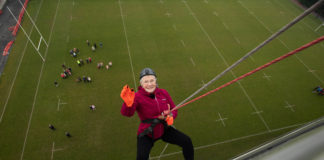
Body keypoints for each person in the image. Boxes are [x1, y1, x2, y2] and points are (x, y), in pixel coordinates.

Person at [120, 68, 194, 160]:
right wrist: (127, 104)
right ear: (141, 84)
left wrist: (171, 116)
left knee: (187, 141)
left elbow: (174, 109)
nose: (150, 84)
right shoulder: (137, 97)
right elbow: (127, 113)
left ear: (156, 81)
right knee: (141, 157)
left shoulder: (163, 93)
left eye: (152, 80)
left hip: (163, 129)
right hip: (147, 132)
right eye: (146, 81)